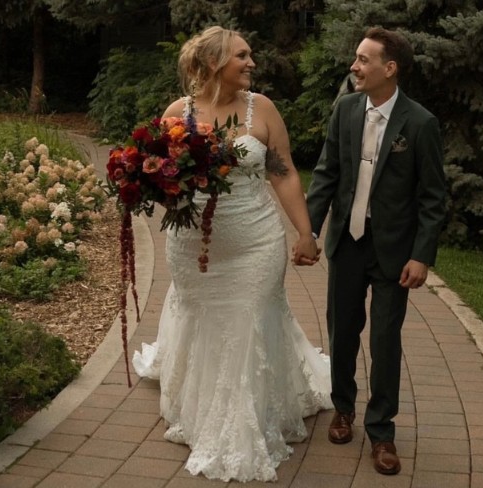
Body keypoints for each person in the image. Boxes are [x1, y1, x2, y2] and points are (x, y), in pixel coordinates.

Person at [132, 26, 332, 483]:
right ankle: (201, 405)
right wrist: (148, 186)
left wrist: (306, 233)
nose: (252, 63)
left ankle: (242, 424)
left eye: (251, 55)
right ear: (214, 63)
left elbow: (282, 173)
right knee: (204, 318)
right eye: (242, 56)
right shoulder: (176, 114)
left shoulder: (261, 109)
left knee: (249, 319)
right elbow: (164, 181)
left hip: (256, 240)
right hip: (194, 245)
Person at [304, 27, 447, 475]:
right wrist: (308, 230)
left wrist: (422, 255)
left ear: (390, 69)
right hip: (347, 243)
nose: (354, 66)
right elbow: (327, 173)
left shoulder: (420, 123)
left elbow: (432, 197)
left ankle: (382, 432)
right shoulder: (345, 110)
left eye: (364, 59)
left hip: (393, 253)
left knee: (385, 341)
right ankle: (343, 408)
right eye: (355, 58)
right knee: (342, 332)